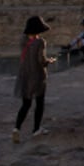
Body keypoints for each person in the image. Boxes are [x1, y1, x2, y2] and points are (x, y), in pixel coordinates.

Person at [13, 15, 57, 143]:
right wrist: (50, 60)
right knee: (39, 102)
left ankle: (16, 128)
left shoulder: (23, 40)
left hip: (24, 75)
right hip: (37, 76)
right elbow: (41, 61)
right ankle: (36, 129)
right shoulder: (40, 42)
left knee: (26, 104)